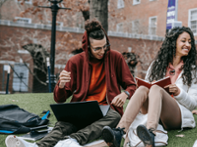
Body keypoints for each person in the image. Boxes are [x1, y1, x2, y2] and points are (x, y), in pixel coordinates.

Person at [5, 19, 136, 147]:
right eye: (97, 49)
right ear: (87, 47)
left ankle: (73, 140)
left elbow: (132, 86)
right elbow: (59, 99)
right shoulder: (75, 62)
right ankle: (37, 146)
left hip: (106, 111)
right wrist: (61, 85)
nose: (102, 51)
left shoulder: (116, 57)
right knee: (63, 125)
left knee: (115, 117)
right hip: (81, 109)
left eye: (105, 46)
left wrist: (125, 94)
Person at [101, 26, 197, 147]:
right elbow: (146, 87)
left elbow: (193, 103)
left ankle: (151, 132)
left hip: (176, 114)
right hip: (153, 110)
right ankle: (119, 131)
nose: (187, 44)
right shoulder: (157, 65)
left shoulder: (192, 70)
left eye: (190, 42)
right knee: (144, 88)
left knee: (155, 88)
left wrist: (179, 92)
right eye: (183, 40)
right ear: (173, 42)